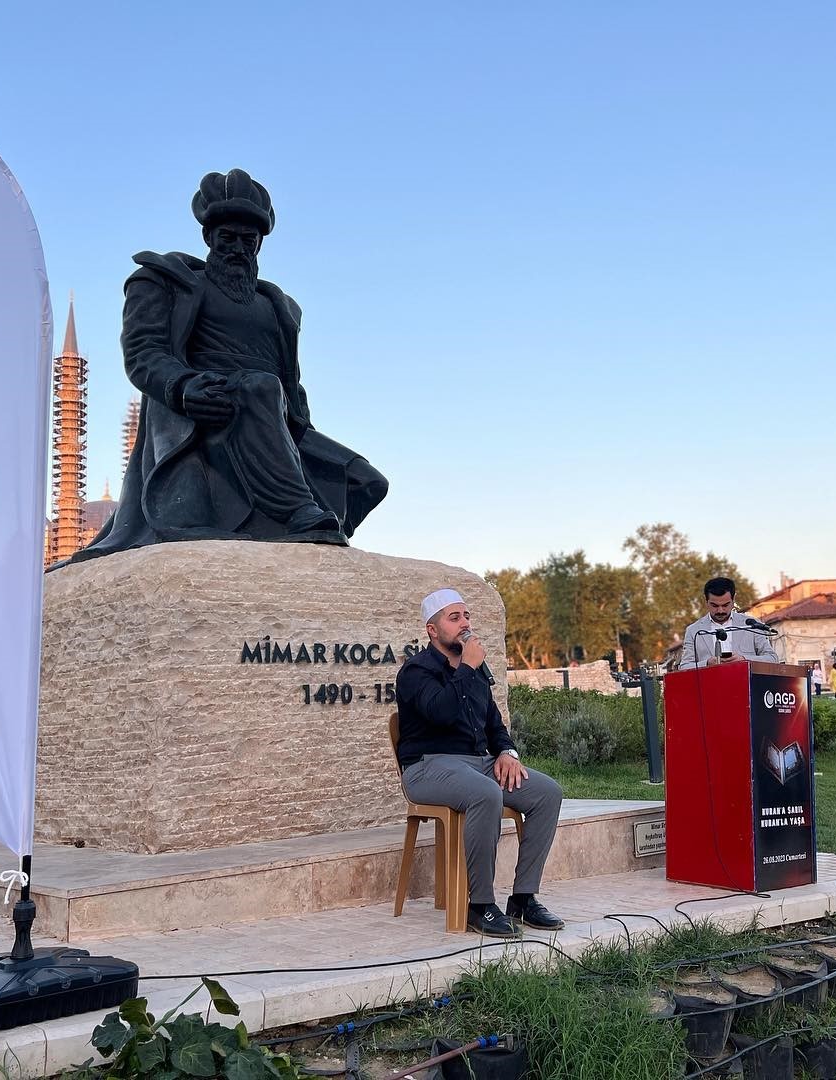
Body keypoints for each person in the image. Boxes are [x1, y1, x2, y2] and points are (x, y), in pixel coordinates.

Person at [66, 169, 388, 563]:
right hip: (205, 411)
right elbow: (143, 352)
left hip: (272, 420)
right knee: (260, 387)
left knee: (366, 482)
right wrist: (182, 386)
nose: (237, 248)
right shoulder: (167, 282)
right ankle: (296, 512)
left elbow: (292, 385)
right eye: (227, 238)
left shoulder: (277, 306)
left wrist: (300, 429)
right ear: (209, 238)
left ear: (259, 244)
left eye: (247, 241)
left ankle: (300, 543)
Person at [396, 589, 565, 938]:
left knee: (547, 792)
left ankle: (523, 898)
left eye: (467, 616)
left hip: (478, 764)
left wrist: (507, 753)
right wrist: (468, 668)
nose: (465, 623)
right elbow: (441, 713)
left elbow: (493, 725)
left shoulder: (474, 672)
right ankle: (480, 905)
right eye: (454, 617)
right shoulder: (415, 671)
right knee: (486, 793)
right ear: (432, 630)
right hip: (427, 767)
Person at [677, 578, 781, 670]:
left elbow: (772, 659)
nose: (720, 610)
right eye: (714, 605)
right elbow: (684, 666)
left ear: (733, 599)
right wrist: (707, 663)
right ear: (706, 601)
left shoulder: (752, 625)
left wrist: (744, 659)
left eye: (725, 605)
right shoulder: (693, 630)